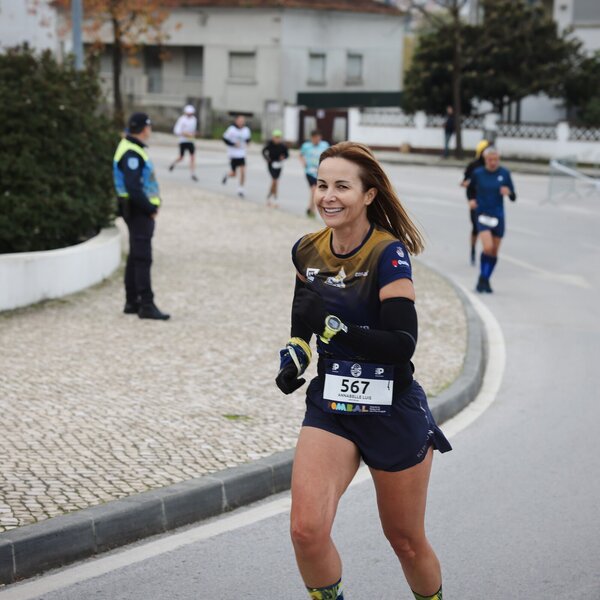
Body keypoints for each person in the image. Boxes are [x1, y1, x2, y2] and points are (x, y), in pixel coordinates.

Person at [276, 142, 451, 600]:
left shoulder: (388, 255)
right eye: (321, 185)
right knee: (306, 531)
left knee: (405, 542)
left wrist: (336, 330)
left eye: (342, 186)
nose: (328, 196)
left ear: (368, 195)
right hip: (333, 406)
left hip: (391, 408)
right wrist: (295, 356)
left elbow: (402, 344)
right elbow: (304, 320)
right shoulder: (307, 250)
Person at [113, 112, 170, 320]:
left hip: (135, 209)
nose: (150, 129)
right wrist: (150, 208)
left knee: (136, 255)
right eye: (149, 126)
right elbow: (134, 188)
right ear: (144, 128)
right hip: (138, 210)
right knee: (143, 258)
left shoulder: (132, 147)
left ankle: (132, 301)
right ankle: (146, 304)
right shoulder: (132, 152)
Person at [469, 146, 517, 293]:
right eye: (490, 159)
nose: (493, 162)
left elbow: (514, 196)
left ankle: (484, 279)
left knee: (494, 252)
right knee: (488, 247)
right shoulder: (478, 173)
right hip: (483, 215)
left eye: (496, 159)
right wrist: (471, 200)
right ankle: (483, 279)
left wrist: (509, 192)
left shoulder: (504, 173)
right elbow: (470, 189)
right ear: (485, 159)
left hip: (498, 216)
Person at [461, 139, 489, 265]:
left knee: (487, 228)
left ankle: (486, 253)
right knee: (476, 228)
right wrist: (470, 199)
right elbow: (465, 181)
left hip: (488, 202)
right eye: (485, 150)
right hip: (475, 201)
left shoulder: (491, 165)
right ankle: (473, 249)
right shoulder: (473, 166)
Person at [299, 129, 330, 217]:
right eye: (314, 138)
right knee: (314, 190)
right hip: (309, 172)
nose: (316, 140)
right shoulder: (306, 146)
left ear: (320, 137)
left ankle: (310, 208)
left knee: (315, 190)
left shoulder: (325, 145)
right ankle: (312, 209)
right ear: (311, 138)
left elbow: (330, 155)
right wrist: (303, 162)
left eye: (318, 138)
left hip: (321, 172)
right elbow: (301, 155)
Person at [221, 115, 251, 197]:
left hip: (241, 154)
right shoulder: (231, 129)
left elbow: (248, 139)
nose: (241, 122)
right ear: (236, 121)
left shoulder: (246, 130)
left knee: (243, 171)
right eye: (240, 121)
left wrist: (248, 143)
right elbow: (225, 139)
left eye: (243, 121)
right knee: (234, 174)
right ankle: (227, 175)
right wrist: (233, 144)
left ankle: (241, 189)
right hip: (233, 154)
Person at [169, 104, 198, 181]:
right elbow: (177, 131)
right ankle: (173, 163)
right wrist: (185, 134)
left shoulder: (194, 119)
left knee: (192, 157)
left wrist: (193, 134)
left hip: (191, 141)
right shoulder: (182, 119)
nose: (190, 115)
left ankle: (193, 174)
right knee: (181, 157)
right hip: (183, 141)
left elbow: (193, 131)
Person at [262, 129, 289, 207]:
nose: (277, 139)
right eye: (276, 137)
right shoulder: (269, 144)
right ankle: (274, 198)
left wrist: (283, 157)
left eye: (278, 137)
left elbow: (287, 155)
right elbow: (263, 151)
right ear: (273, 137)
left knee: (275, 181)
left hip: (279, 165)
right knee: (275, 181)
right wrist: (267, 159)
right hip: (271, 164)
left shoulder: (283, 146)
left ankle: (269, 197)